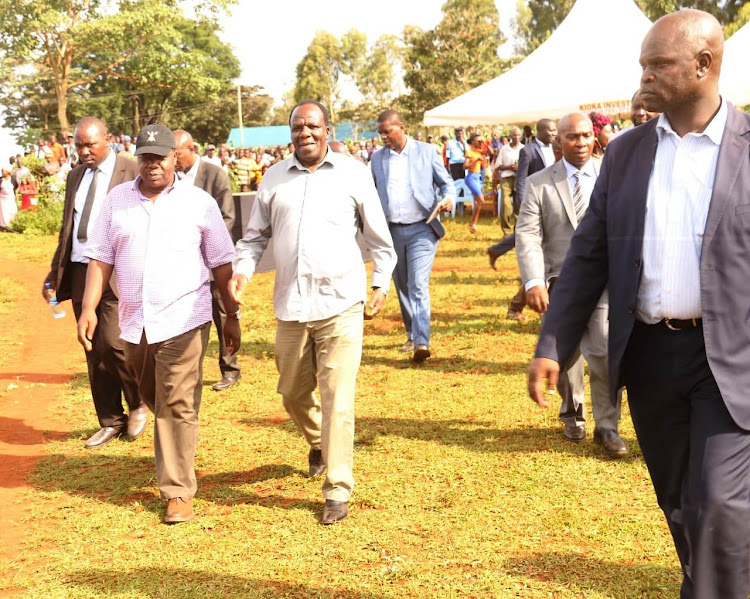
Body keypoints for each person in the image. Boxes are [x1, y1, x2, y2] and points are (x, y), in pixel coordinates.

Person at [528, 10, 750, 597]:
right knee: (680, 502)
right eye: (643, 65)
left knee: (720, 505)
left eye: (659, 64)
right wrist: (554, 342)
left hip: (728, 362)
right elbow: (588, 258)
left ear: (704, 65)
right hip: (650, 356)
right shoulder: (625, 155)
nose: (645, 76)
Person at [230, 101, 395, 525]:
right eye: (298, 126)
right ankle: (319, 442)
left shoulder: (354, 174)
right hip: (291, 304)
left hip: (341, 302)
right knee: (291, 392)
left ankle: (337, 488)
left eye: (313, 126)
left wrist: (379, 282)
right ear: (291, 133)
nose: (305, 132)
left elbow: (379, 237)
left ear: (327, 130)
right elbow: (253, 238)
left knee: (338, 397)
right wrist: (241, 273)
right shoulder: (273, 178)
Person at [78, 124, 240, 524]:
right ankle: (173, 458)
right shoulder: (117, 201)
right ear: (138, 158)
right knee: (152, 394)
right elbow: (100, 258)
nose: (153, 165)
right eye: (146, 157)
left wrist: (231, 316)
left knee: (176, 402)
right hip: (135, 321)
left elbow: (221, 263)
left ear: (174, 158)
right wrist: (88, 308)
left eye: (160, 157)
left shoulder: (198, 202)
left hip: (185, 316)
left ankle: (178, 490)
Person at [516, 112, 626, 455]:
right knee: (562, 354)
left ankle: (608, 427)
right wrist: (533, 280)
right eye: (571, 137)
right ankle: (572, 412)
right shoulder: (538, 183)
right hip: (558, 282)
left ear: (593, 137)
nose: (580, 143)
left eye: (585, 136)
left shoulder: (615, 175)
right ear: (558, 141)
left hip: (604, 280)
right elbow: (528, 236)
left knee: (604, 349)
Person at [43, 116, 146, 448]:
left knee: (116, 342)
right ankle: (110, 421)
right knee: (92, 346)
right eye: (78, 145)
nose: (84, 151)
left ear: (108, 139)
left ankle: (140, 402)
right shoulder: (76, 175)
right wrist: (55, 271)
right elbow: (68, 228)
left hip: (117, 270)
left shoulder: (130, 169)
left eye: (90, 144)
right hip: (80, 269)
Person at [371, 109, 454, 362]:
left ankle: (421, 341)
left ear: (402, 127)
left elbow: (446, 182)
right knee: (402, 284)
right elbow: (371, 192)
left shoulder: (426, 152)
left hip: (422, 227)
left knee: (417, 283)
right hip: (392, 230)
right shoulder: (376, 159)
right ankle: (411, 334)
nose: (384, 136)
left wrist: (448, 198)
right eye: (381, 133)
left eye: (388, 131)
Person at [173, 129, 240, 392]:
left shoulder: (215, 175)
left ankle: (230, 369)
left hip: (213, 262)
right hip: (182, 265)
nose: (173, 159)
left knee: (224, 314)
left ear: (191, 149)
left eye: (176, 154)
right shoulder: (171, 179)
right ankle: (189, 370)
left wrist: (199, 247)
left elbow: (227, 219)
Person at [493, 126, 524, 237]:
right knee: (506, 205)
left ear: (521, 136)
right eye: (514, 135)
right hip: (507, 179)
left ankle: (517, 231)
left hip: (519, 178)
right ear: (510, 136)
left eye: (518, 135)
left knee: (518, 205)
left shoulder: (524, 149)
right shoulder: (504, 149)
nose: (516, 137)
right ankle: (506, 231)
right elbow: (498, 166)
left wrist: (520, 167)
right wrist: (509, 167)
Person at [464, 133, 486, 234]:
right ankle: (473, 223)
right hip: (471, 177)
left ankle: (472, 224)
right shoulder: (469, 152)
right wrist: (476, 160)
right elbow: (465, 166)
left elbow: (490, 152)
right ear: (473, 142)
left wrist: (484, 143)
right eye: (478, 140)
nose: (479, 142)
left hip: (477, 177)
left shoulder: (478, 151)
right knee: (481, 200)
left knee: (477, 202)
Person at [0, 166, 18, 230]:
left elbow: (16, 186)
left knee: (12, 210)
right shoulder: (1, 180)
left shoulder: (12, 179)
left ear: (7, 172)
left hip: (10, 198)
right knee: (3, 212)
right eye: (2, 171)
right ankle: (4, 226)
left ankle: (12, 224)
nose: (2, 172)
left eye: (3, 171)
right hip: (2, 199)